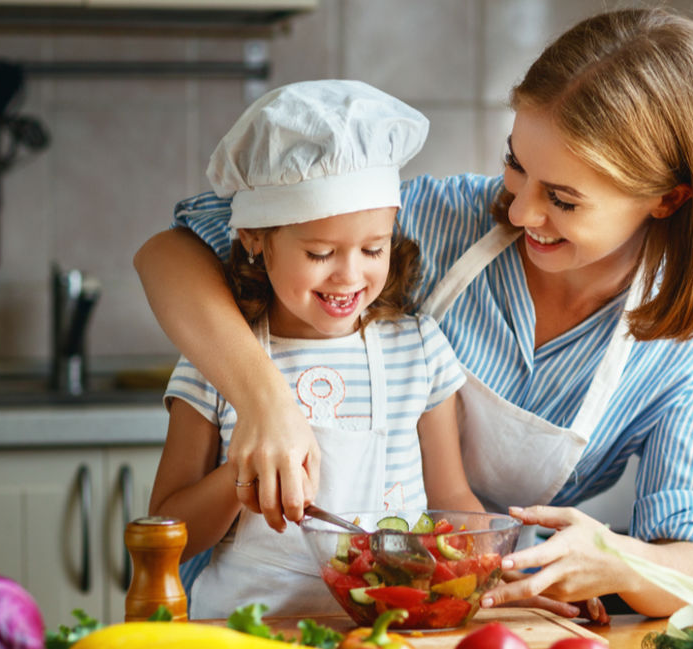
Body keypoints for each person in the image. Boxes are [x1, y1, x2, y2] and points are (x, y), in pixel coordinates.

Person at [136, 7, 693, 618]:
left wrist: (618, 562)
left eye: (563, 199)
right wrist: (266, 403)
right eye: (516, 166)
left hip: (460, 605)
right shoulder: (440, 220)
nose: (520, 212)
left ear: (666, 199)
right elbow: (172, 251)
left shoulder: (690, 335)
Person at [146, 79, 484, 619]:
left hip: (384, 631)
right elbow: (171, 533)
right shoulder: (217, 361)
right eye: (320, 252)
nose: (350, 275)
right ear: (257, 238)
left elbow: (454, 502)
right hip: (243, 631)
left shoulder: (417, 351)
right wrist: (242, 480)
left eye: (374, 248)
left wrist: (490, 568)